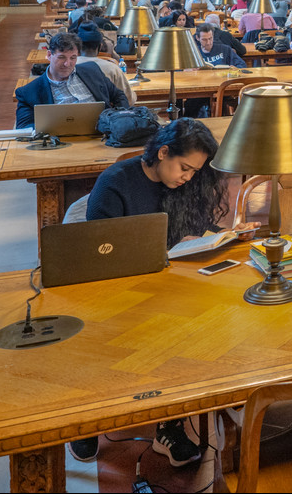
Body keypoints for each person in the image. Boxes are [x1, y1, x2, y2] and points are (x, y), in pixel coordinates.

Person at [69, 118, 229, 466]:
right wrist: (165, 250)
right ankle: (86, 419)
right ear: (163, 151)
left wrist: (217, 236)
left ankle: (168, 423)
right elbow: (100, 252)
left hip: (169, 282)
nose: (188, 177)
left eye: (195, 171)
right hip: (116, 288)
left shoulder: (187, 186)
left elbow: (193, 231)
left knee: (203, 323)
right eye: (184, 167)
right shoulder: (116, 183)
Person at [15, 32, 129, 128]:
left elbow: (119, 96)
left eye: (73, 58)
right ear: (49, 55)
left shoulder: (92, 71)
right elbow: (24, 128)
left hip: (103, 138)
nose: (67, 64)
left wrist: (119, 121)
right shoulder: (28, 92)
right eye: (61, 57)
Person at [75, 24, 135, 105]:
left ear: (78, 47)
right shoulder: (112, 68)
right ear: (100, 46)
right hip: (106, 114)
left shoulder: (69, 67)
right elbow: (128, 99)